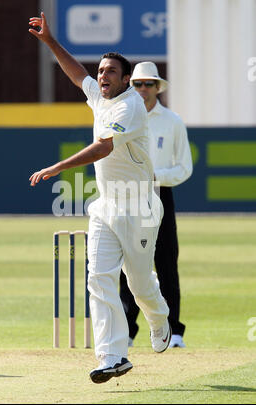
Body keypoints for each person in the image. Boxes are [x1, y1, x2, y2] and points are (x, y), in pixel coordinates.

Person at [28, 13, 170, 384]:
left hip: (138, 208)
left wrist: (59, 166)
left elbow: (104, 147)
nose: (102, 76)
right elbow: (78, 76)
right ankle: (112, 356)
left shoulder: (130, 107)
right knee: (98, 278)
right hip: (106, 206)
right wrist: (50, 41)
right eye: (102, 71)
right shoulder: (101, 97)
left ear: (127, 81)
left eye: (111, 72)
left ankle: (159, 319)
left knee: (139, 285)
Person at [120, 62, 193, 349]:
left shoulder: (172, 121)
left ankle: (174, 331)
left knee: (165, 262)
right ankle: (126, 330)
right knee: (130, 262)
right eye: (137, 84)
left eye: (148, 84)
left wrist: (155, 177)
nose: (142, 89)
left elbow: (184, 167)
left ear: (158, 87)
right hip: (130, 195)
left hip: (160, 194)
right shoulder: (124, 116)